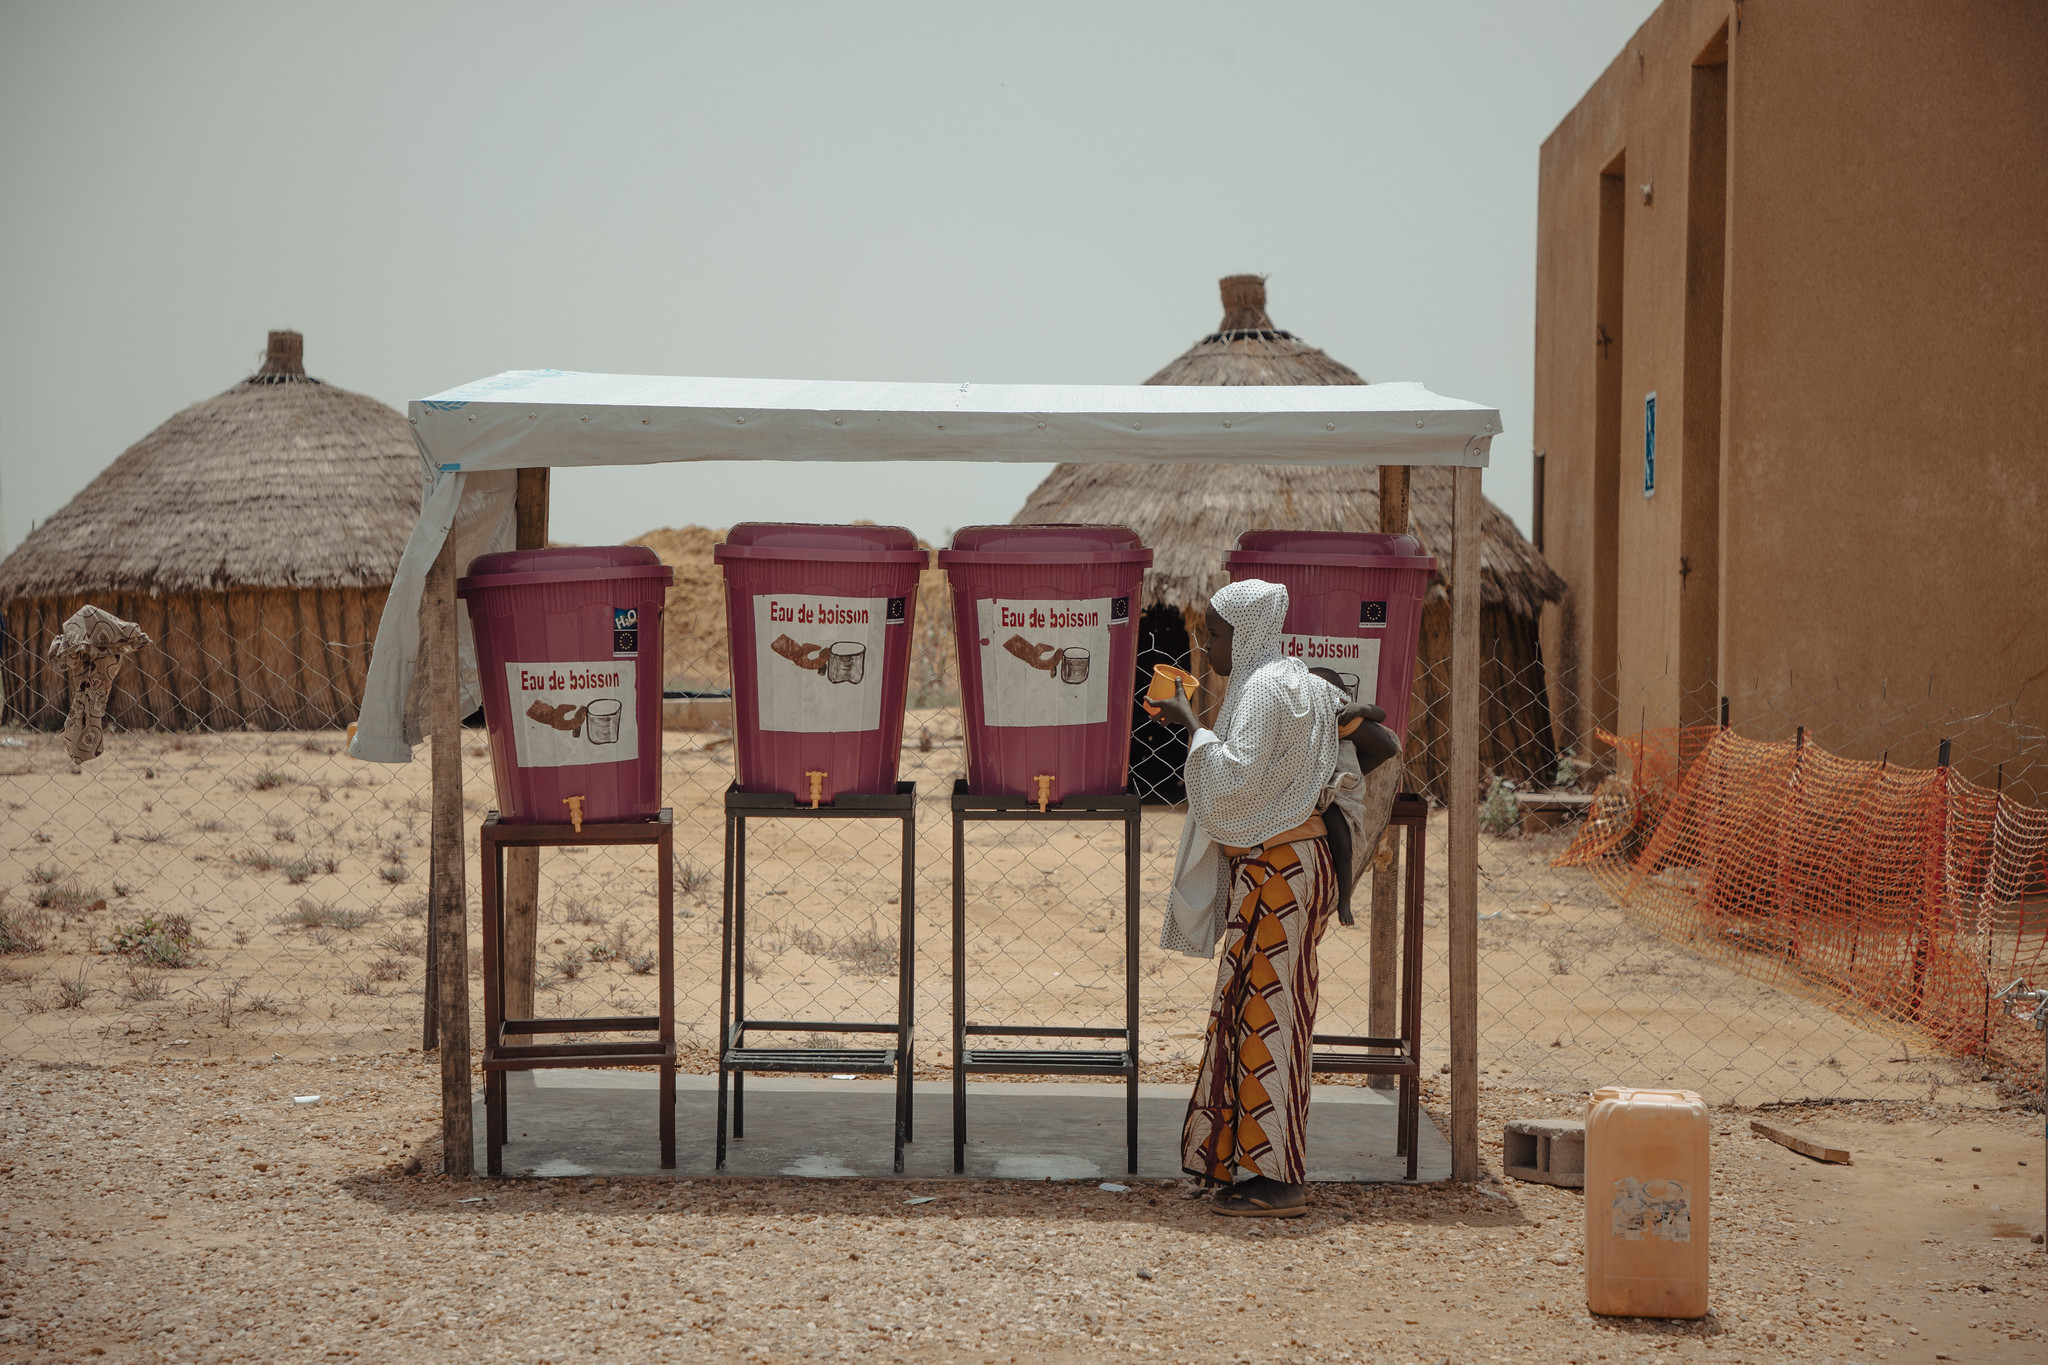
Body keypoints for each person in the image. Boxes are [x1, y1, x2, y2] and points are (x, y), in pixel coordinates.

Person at [1154, 579, 1397, 1217]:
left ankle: (1279, 1178)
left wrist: (1188, 724)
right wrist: (1311, 778)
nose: (1208, 646)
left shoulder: (1263, 691)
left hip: (1282, 867)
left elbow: (1233, 781)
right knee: (1248, 1004)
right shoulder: (1299, 683)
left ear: (1247, 633)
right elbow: (1379, 743)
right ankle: (1239, 1162)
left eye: (1215, 633)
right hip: (1289, 863)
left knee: (1271, 1012)